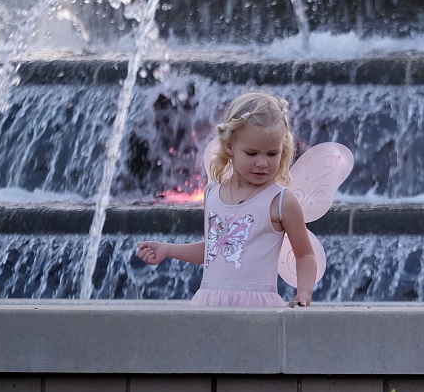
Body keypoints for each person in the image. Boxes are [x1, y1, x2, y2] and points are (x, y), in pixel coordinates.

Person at [136, 92, 317, 307]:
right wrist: (168, 249)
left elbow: (305, 254)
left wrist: (304, 294)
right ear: (230, 146)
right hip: (210, 303)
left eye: (272, 154)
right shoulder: (212, 194)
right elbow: (215, 249)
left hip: (258, 308)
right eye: (251, 153)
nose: (262, 163)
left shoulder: (280, 201)